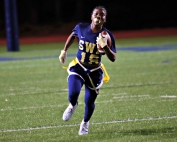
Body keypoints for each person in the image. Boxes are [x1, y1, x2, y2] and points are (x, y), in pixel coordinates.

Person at [59, 5, 116, 135]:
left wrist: (105, 47)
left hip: (95, 71)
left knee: (89, 102)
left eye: (102, 15)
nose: (99, 16)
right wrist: (64, 51)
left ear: (105, 19)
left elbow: (113, 58)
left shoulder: (107, 35)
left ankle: (85, 123)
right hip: (79, 67)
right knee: (73, 93)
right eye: (96, 14)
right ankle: (72, 105)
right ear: (92, 16)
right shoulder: (81, 28)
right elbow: (73, 35)